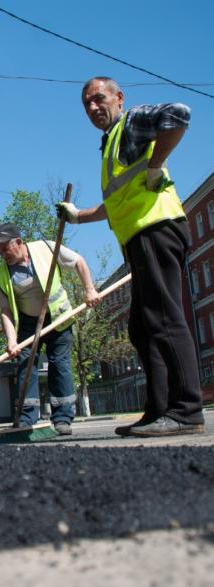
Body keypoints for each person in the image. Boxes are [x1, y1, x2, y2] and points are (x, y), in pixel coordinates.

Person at [56, 76, 204, 437]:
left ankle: (186, 412)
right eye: (86, 104)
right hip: (139, 238)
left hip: (155, 229)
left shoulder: (132, 123)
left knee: (164, 319)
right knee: (141, 328)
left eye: (98, 98)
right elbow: (117, 202)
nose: (93, 108)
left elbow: (178, 115)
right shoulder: (112, 146)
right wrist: (77, 215)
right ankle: (158, 410)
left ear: (118, 98)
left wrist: (156, 164)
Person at [0, 223, 100, 435]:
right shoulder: (0, 275)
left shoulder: (47, 248)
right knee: (26, 365)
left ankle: (62, 418)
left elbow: (78, 261)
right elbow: (5, 310)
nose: (2, 255)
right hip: (28, 324)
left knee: (59, 364)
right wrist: (11, 340)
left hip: (59, 317)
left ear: (19, 242)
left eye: (5, 249)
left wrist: (90, 290)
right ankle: (26, 418)